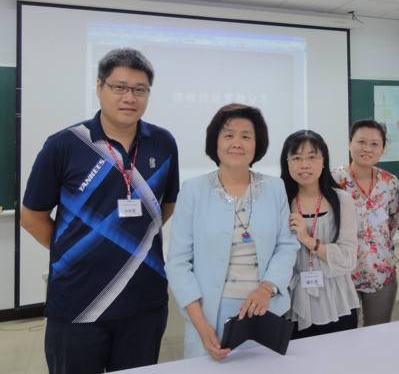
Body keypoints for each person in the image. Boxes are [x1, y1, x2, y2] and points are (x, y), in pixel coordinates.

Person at [21, 48, 180, 374]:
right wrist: (75, 251)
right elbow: (32, 217)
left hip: (144, 300)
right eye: (119, 87)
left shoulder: (163, 143)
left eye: (140, 89)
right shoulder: (65, 144)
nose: (129, 98)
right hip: (77, 302)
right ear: (99, 86)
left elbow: (166, 205)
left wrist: (131, 242)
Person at [165, 103, 299, 360]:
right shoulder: (193, 190)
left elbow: (286, 246)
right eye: (228, 135)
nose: (237, 143)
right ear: (215, 142)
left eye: (246, 136)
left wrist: (267, 288)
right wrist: (201, 326)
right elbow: (178, 262)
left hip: (265, 310)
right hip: (209, 315)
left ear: (257, 143)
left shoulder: (274, 188)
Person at [281, 130, 360, 338]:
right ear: (287, 163)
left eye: (312, 157)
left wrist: (308, 240)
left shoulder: (342, 200)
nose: (304, 165)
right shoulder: (280, 202)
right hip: (293, 302)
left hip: (337, 300)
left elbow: (348, 258)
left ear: (323, 161)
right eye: (296, 158)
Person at [332, 119, 399, 326]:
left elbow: (392, 222)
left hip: (380, 271)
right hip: (342, 273)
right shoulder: (332, 179)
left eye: (374, 144)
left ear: (382, 149)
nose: (367, 149)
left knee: (378, 332)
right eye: (361, 142)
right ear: (349, 143)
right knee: (343, 334)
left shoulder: (390, 182)